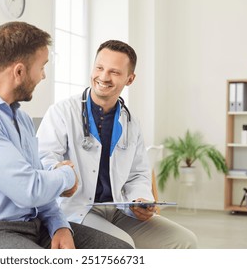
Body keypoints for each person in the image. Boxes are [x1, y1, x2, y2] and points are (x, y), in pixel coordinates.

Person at [0, 22, 132, 249]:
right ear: (19, 71)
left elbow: (37, 177)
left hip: (32, 224)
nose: (43, 76)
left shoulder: (20, 118)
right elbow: (29, 189)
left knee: (120, 252)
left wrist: (58, 224)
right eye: (41, 67)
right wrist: (67, 176)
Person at [37, 39, 198, 249]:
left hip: (118, 209)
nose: (103, 77)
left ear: (130, 79)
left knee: (184, 241)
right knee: (123, 245)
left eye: (114, 72)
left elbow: (138, 173)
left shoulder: (130, 122)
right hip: (78, 209)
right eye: (99, 68)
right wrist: (59, 170)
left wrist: (140, 200)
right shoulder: (63, 112)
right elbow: (44, 158)